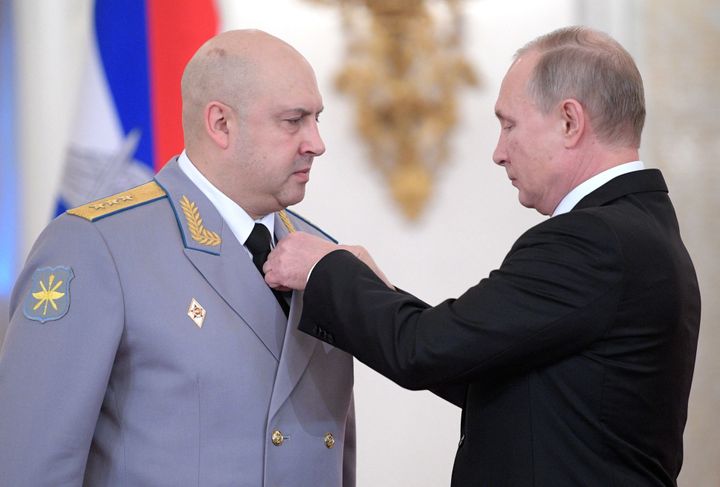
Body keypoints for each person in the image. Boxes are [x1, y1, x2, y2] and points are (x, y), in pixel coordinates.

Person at [264, 26, 700, 486]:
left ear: (570, 121)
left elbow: (424, 350)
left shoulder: (594, 239)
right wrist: (378, 291)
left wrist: (321, 269)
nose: (498, 152)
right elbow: (481, 367)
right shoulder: (637, 229)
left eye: (508, 124)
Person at [0, 30, 355, 486]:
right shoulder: (98, 246)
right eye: (294, 120)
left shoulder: (323, 256)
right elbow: (31, 466)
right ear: (221, 124)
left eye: (317, 119)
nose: (316, 143)